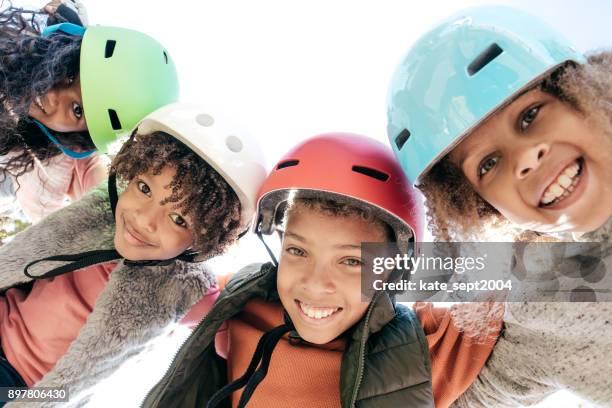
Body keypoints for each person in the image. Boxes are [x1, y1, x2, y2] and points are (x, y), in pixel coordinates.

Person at [141, 133, 505, 408]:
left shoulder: (422, 343)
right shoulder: (241, 298)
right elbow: (152, 281)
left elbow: (551, 275)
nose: (315, 285)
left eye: (350, 261)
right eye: (298, 251)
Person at [387, 5, 612, 406]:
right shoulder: (547, 307)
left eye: (530, 116)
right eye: (488, 164)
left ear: (583, 92)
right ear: (484, 207)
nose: (525, 159)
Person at [0, 103, 266, 407]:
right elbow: (83, 157)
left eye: (179, 219)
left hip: (25, 386)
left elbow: (232, 329)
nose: (144, 220)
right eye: (144, 188)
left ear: (202, 242)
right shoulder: (102, 207)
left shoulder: (184, 290)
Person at [0, 6, 178, 222]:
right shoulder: (18, 44)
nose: (53, 95)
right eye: (70, 74)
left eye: (77, 110)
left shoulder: (47, 169)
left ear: (80, 137)